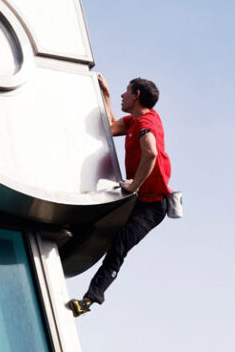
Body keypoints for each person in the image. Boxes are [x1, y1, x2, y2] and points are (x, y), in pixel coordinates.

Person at [68, 74, 172, 317]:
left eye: (126, 91)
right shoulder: (134, 121)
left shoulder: (147, 123)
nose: (122, 95)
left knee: (119, 245)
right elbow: (112, 127)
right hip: (137, 197)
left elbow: (151, 154)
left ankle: (89, 299)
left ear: (137, 95)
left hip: (153, 207)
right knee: (98, 220)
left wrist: (134, 185)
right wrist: (105, 94)